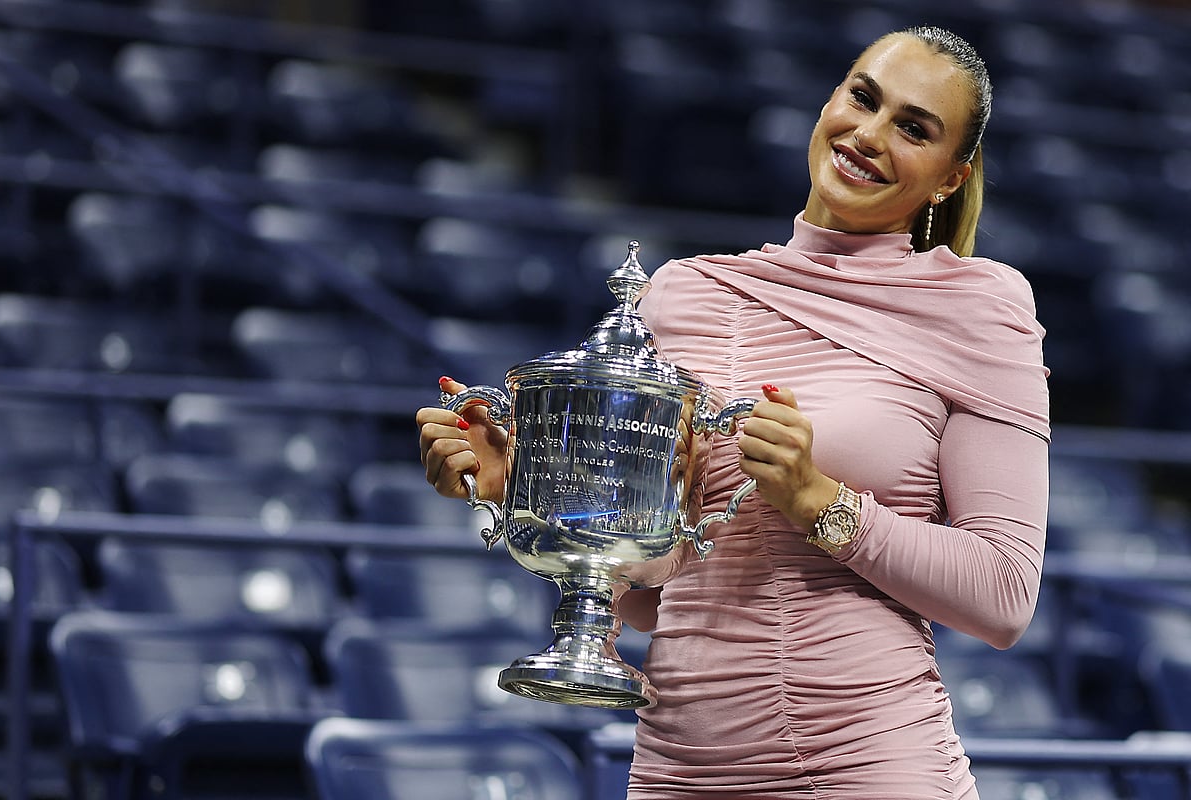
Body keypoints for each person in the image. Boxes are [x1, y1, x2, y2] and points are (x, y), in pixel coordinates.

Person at [417, 25, 1049, 800]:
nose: (870, 135)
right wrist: (521, 485)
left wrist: (819, 501)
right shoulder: (685, 293)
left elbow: (1005, 595)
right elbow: (651, 588)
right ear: (830, 101)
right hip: (681, 765)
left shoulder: (980, 308)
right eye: (863, 97)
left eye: (913, 128)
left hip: (869, 764)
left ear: (950, 178)